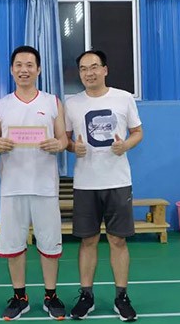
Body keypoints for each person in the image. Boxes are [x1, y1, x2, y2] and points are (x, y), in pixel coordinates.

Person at [0, 45, 68, 321]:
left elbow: (63, 139)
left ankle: (51, 295)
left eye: (30, 65)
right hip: (12, 186)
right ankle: (20, 297)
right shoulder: (0, 105)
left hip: (45, 186)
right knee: (13, 244)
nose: (24, 70)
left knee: (49, 243)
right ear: (12, 70)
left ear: (39, 69)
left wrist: (58, 144)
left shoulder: (52, 102)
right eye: (19, 65)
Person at [64, 50, 143, 322]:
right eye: (84, 68)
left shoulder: (124, 98)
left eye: (94, 67)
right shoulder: (72, 103)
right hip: (85, 183)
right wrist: (73, 147)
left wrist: (125, 145)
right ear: (80, 73)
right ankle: (86, 296)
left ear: (105, 70)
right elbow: (65, 140)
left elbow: (138, 132)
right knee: (87, 240)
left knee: (117, 240)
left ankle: (121, 297)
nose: (89, 73)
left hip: (118, 181)